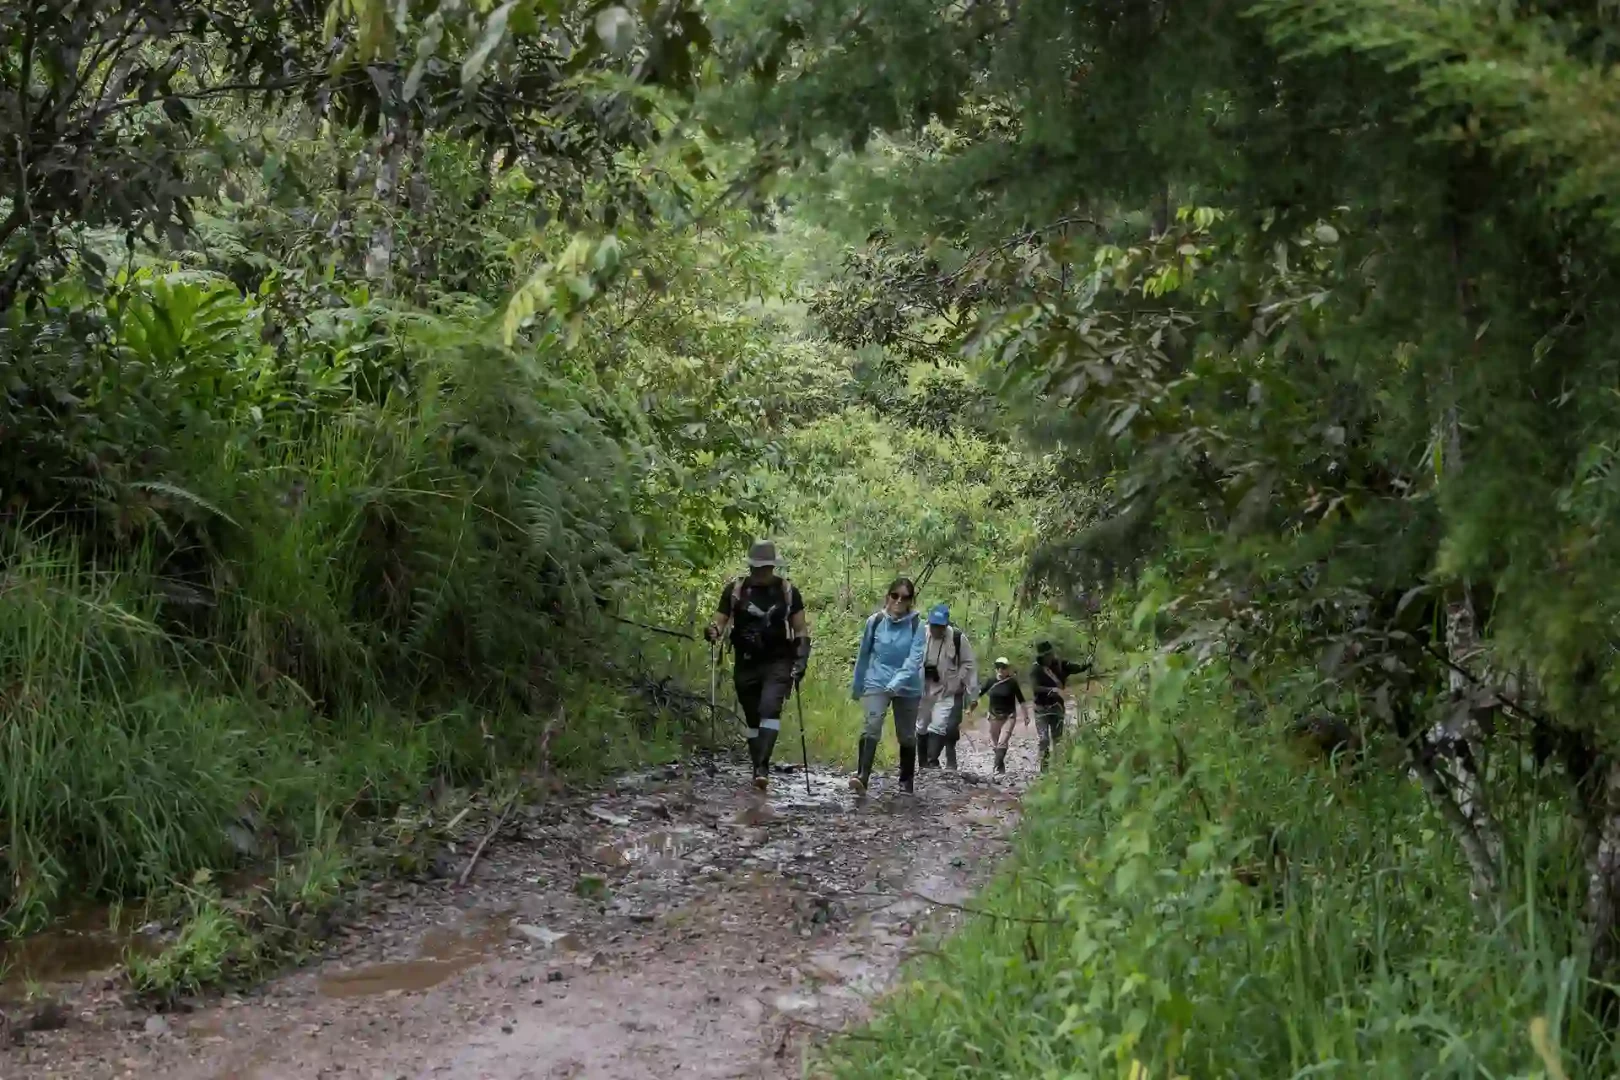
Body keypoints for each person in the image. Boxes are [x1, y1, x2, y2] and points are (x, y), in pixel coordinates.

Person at [705, 540, 810, 791]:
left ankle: (763, 767)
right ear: (751, 567)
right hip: (746, 661)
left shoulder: (787, 592)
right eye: (757, 568)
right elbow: (720, 621)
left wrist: (802, 657)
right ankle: (757, 770)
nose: (761, 572)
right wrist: (713, 631)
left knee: (769, 708)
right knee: (752, 718)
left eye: (765, 568)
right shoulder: (736, 590)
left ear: (773, 567)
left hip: (778, 660)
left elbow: (800, 628)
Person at [849, 577, 926, 794]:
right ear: (888, 596)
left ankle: (906, 780)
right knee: (871, 725)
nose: (899, 601)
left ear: (911, 601)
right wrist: (857, 686)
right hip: (877, 680)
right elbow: (864, 654)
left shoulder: (918, 626)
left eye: (905, 597)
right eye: (895, 595)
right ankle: (862, 775)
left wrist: (897, 682)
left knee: (907, 735)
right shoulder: (875, 622)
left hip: (908, 685)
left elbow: (915, 659)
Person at [917, 604, 978, 770]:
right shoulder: (919, 633)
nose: (937, 629)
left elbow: (969, 664)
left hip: (946, 689)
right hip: (922, 688)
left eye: (940, 626)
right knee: (921, 725)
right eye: (934, 625)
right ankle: (922, 763)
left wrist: (969, 688)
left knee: (939, 724)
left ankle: (931, 760)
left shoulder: (957, 638)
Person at [1031, 640, 1089, 771]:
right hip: (1041, 709)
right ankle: (1044, 768)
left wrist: (1087, 664)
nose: (1048, 657)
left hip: (1057, 707)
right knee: (1044, 739)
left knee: (1058, 739)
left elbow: (1077, 668)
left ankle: (1058, 768)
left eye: (1049, 654)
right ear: (1041, 657)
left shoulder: (1060, 665)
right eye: (1045, 656)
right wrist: (1052, 690)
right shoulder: (1036, 669)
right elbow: (1035, 688)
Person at [974, 656, 1027, 775]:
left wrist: (1026, 715)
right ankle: (1001, 767)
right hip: (994, 716)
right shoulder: (991, 681)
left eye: (1003, 667)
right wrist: (971, 706)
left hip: (1009, 716)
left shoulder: (1012, 682)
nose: (1001, 670)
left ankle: (996, 768)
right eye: (998, 667)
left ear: (1007, 669)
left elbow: (1021, 700)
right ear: (996, 669)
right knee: (995, 743)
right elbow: (979, 694)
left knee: (1002, 741)